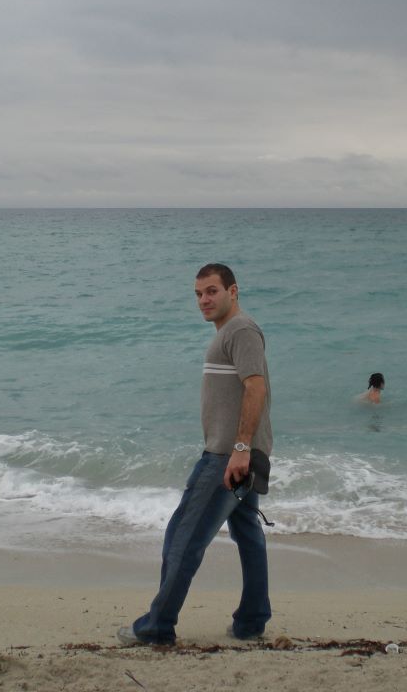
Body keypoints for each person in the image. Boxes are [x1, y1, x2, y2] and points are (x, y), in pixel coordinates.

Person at [118, 263, 273, 645]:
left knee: (183, 538)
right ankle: (252, 622)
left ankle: (157, 626)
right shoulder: (229, 332)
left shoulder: (241, 330)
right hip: (240, 454)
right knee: (248, 534)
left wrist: (239, 449)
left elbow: (256, 388)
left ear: (233, 291)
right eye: (199, 294)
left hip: (226, 457)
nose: (204, 300)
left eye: (212, 291)